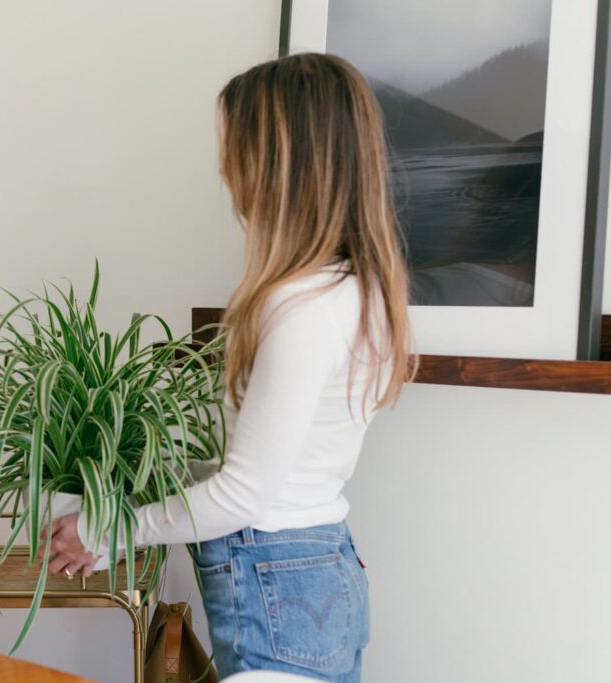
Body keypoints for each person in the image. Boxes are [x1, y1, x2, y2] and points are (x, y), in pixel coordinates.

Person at [46, 53, 415, 682]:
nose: (225, 171)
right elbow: (276, 464)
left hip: (278, 579)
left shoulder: (301, 309)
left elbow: (245, 494)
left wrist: (108, 529)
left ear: (281, 166)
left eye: (237, 151)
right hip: (324, 564)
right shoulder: (364, 294)